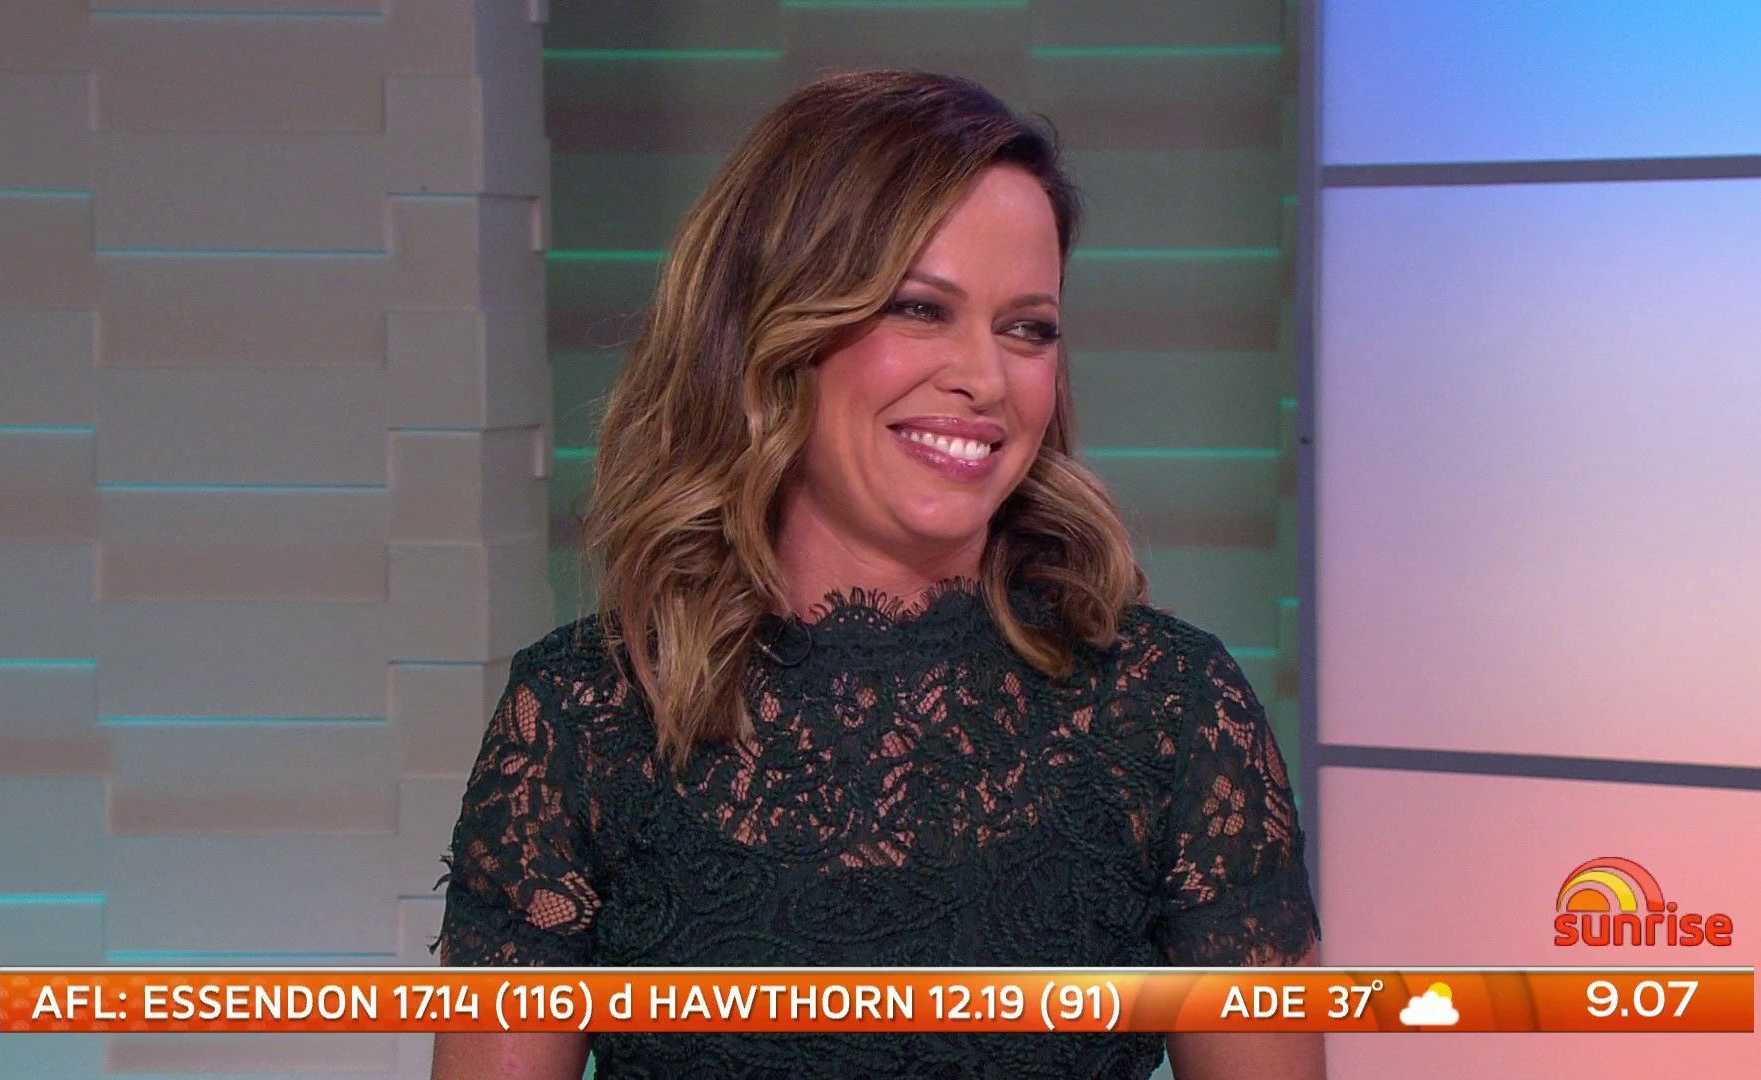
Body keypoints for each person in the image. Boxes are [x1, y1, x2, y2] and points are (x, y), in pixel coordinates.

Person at [429, 68, 1323, 1080]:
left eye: (1027, 327)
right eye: (920, 308)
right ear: (774, 331)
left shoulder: (1171, 712)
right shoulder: (582, 719)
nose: (985, 379)